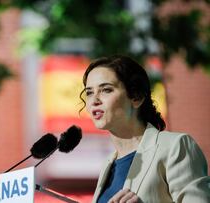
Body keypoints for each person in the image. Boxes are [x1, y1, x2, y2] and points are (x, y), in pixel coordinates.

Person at [79, 55, 210, 203]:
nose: (94, 101)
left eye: (106, 90)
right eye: (89, 92)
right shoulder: (108, 165)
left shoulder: (175, 146)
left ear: (136, 97)